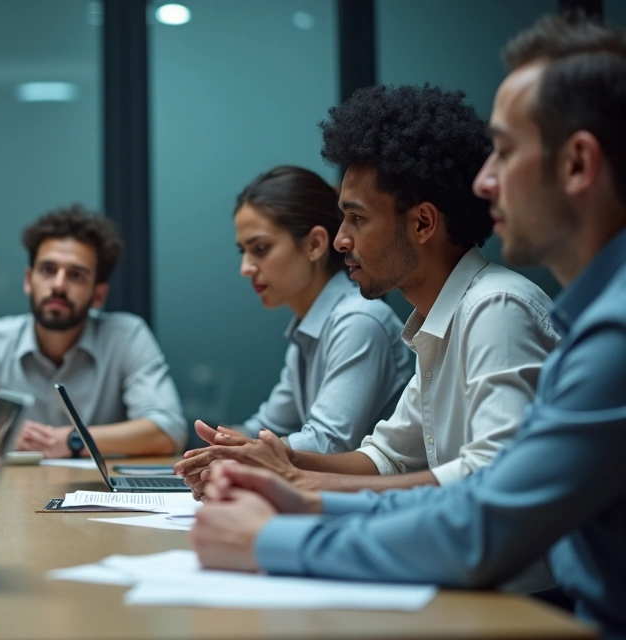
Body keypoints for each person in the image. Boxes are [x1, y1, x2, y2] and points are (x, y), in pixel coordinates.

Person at [189, 14, 626, 634]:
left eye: (505, 151)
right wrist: (291, 473)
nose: (485, 181)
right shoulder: (450, 315)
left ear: (578, 163)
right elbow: (396, 460)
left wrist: (286, 525)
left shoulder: (513, 311)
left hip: (525, 609)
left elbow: (486, 507)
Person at [181, 84, 558, 496]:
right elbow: (387, 458)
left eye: (356, 219)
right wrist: (270, 459)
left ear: (422, 223)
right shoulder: (438, 323)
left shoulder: (496, 308)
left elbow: (493, 473)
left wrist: (292, 479)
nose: (341, 240)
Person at [172, 166, 412, 497]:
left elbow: (327, 443)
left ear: (314, 244)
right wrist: (215, 450)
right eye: (243, 252)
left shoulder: (359, 320)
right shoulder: (309, 327)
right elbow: (266, 425)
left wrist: (237, 455)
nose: (245, 268)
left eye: (260, 248)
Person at [0, 205, 186, 457]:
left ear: (99, 295)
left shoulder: (127, 336)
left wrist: (74, 440)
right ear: (29, 281)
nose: (58, 285)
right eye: (48, 270)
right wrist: (5, 438)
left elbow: (168, 430)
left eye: (76, 275)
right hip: (11, 501)